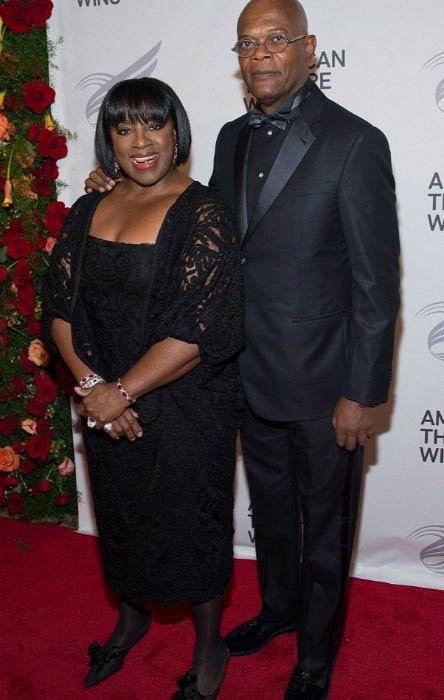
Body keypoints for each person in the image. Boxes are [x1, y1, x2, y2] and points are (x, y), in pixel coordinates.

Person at [85, 1, 400, 698]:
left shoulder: (355, 142)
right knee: (270, 515)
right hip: (236, 378)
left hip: (324, 388)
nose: (259, 54)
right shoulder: (229, 138)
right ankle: (279, 612)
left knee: (324, 532)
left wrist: (365, 391)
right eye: (246, 43)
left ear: (308, 49)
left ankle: (315, 659)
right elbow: (191, 218)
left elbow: (378, 283)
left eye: (275, 40)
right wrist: (113, 185)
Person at [43, 77, 244, 700]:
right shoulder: (89, 207)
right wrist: (94, 385)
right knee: (122, 516)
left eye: (153, 124)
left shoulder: (205, 212)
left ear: (176, 130)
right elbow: (58, 306)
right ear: (108, 141)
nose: (141, 142)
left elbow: (200, 328)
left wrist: (119, 393)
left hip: (189, 407)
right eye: (124, 128)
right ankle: (130, 619)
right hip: (105, 402)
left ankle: (210, 643)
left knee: (194, 526)